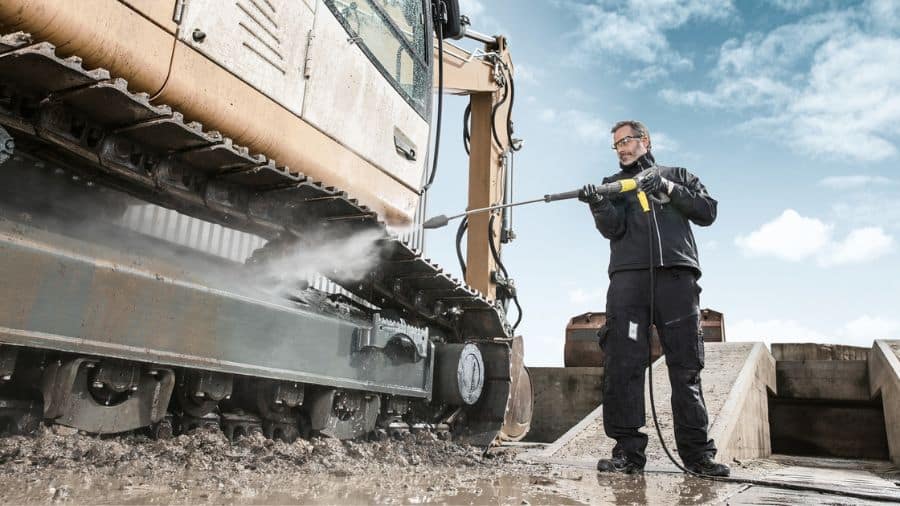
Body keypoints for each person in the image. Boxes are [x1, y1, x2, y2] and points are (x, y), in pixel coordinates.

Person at [579, 120, 730, 477]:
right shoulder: (613, 186)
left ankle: (697, 457)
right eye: (615, 145)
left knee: (686, 368)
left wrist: (666, 186)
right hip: (629, 283)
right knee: (623, 365)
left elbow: (707, 211)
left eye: (626, 141)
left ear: (644, 141)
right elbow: (612, 229)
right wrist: (598, 203)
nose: (621, 149)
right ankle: (628, 454)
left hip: (676, 280)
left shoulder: (678, 175)